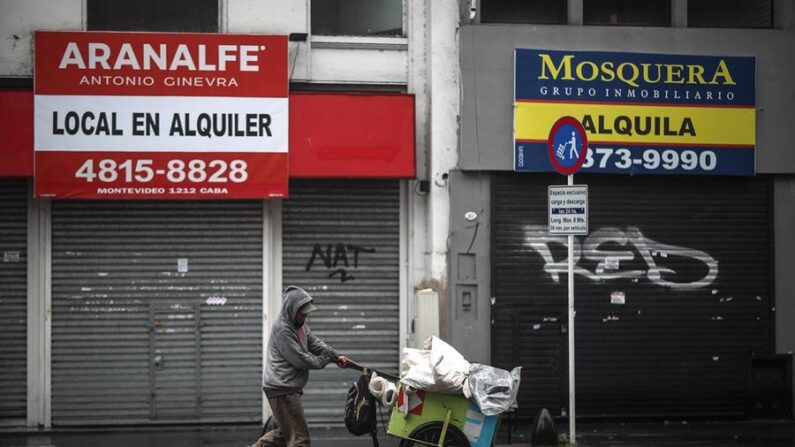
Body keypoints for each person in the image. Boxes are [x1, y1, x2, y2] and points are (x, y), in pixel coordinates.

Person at [249, 285, 351, 447]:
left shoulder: (299, 325)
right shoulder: (283, 330)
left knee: (285, 434)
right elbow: (302, 360)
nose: (305, 317)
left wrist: (335, 356)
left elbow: (314, 343)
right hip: (283, 389)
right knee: (300, 440)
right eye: (302, 313)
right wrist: (327, 359)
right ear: (291, 309)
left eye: (306, 313)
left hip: (285, 388)